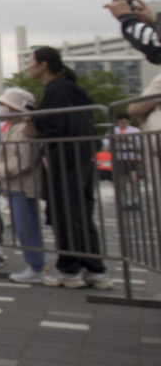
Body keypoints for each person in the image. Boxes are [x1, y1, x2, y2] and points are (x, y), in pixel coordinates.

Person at [28, 45, 106, 287]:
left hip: (65, 160)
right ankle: (94, 270)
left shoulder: (56, 89)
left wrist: (34, 118)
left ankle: (69, 270)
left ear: (44, 65)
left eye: (31, 61)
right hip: (81, 160)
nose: (28, 66)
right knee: (82, 215)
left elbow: (55, 126)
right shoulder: (70, 88)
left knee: (66, 215)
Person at [0, 87, 48, 284]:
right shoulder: (13, 129)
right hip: (15, 185)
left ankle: (36, 267)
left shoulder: (24, 131)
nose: (0, 109)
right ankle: (34, 265)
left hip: (24, 186)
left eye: (5, 106)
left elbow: (23, 162)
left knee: (27, 227)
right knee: (22, 226)